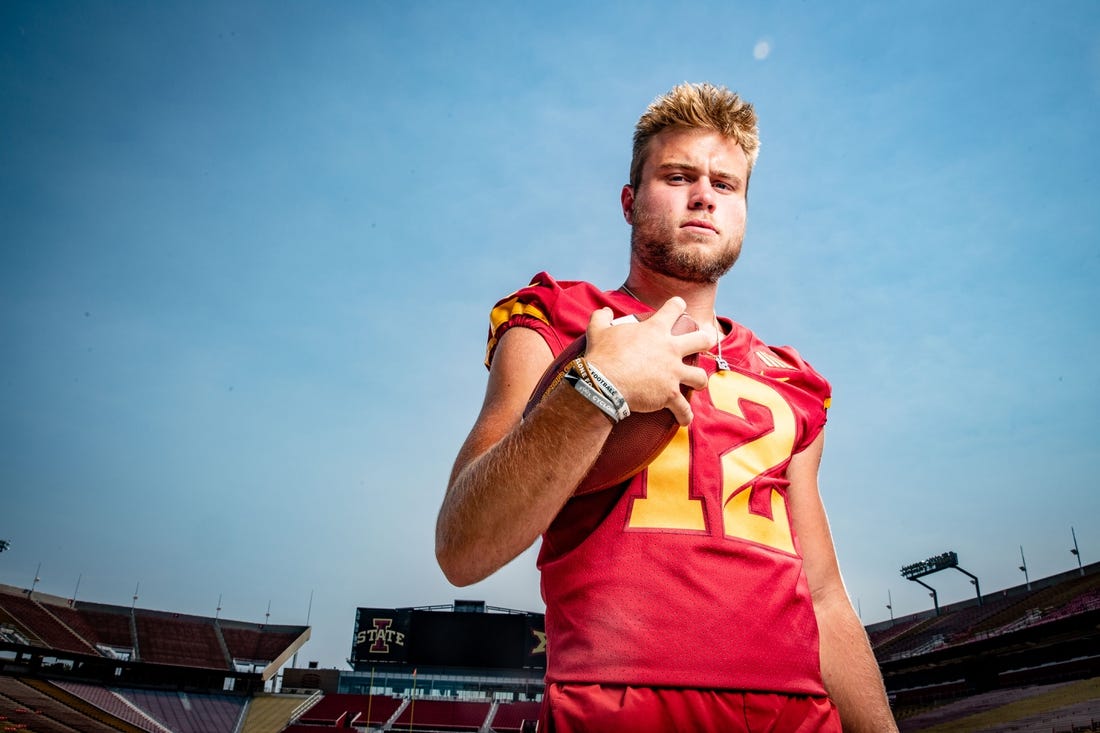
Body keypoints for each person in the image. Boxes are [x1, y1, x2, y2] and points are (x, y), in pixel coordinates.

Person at [436, 82, 897, 732]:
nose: (704, 194)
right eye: (678, 175)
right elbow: (462, 544)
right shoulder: (558, 319)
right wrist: (596, 385)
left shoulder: (790, 379)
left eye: (726, 183)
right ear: (629, 201)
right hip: (614, 712)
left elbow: (822, 596)